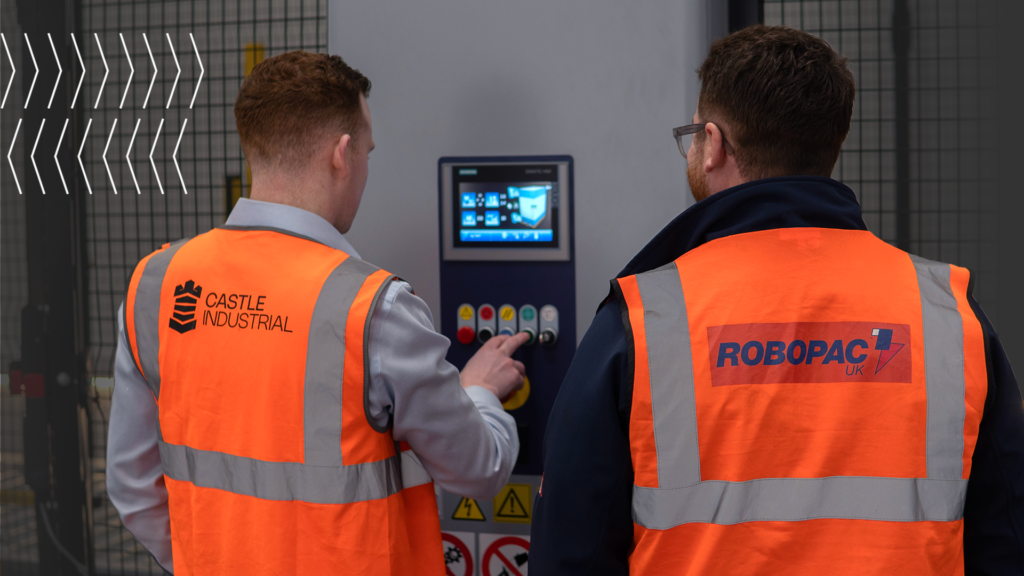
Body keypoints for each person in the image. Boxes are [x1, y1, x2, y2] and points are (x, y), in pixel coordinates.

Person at [530, 25, 1024, 575]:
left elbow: (570, 550)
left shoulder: (644, 320)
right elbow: (1004, 537)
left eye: (693, 135)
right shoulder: (948, 315)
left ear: (713, 144)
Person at [106, 51, 529, 575]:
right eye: (369, 152)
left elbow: (132, 487)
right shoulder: (374, 309)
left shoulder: (156, 286)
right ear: (342, 155)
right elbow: (478, 471)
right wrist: (481, 391)